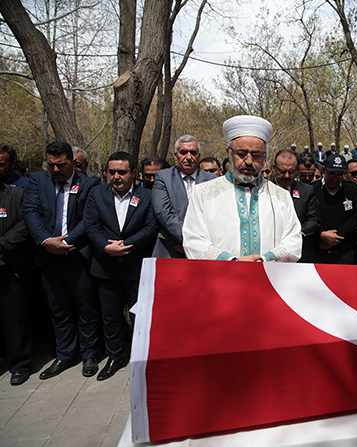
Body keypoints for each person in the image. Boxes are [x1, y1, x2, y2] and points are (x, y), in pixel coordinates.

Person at [23, 141, 100, 380]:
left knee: (86, 308)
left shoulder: (88, 184)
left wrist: (66, 243)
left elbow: (89, 218)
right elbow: (31, 212)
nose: (55, 170)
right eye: (51, 165)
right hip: (49, 257)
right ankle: (64, 354)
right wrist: (46, 241)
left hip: (78, 256)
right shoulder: (38, 181)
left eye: (61, 165)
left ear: (73, 163)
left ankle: (89, 354)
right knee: (58, 310)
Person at [182, 115, 302, 262]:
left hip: (269, 277)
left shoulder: (281, 196)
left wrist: (264, 260)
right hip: (221, 279)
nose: (249, 161)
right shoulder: (203, 193)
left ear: (265, 156)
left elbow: (293, 241)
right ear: (229, 152)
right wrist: (233, 262)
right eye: (242, 153)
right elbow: (193, 240)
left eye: (256, 155)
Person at [84, 152, 158, 380]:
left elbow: (151, 226)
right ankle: (115, 357)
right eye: (112, 172)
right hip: (105, 266)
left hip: (136, 267)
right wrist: (105, 247)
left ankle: (139, 357)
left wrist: (127, 244)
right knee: (111, 316)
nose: (116, 176)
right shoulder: (96, 193)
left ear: (133, 174)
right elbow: (91, 225)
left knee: (140, 315)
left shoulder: (147, 196)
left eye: (122, 172)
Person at [152, 135, 217, 258]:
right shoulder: (163, 177)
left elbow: (214, 215)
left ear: (198, 156)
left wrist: (196, 244)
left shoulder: (212, 180)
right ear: (176, 156)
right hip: (171, 247)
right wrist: (188, 239)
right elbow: (163, 211)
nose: (188, 157)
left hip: (204, 249)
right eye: (183, 152)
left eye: (193, 153)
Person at [0, 181, 33, 385]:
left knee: (14, 318)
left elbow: (25, 224)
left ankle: (20, 364)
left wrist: (3, 244)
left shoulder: (16, 195)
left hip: (8, 266)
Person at [273, 149, 321, 263]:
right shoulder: (263, 190)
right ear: (274, 168)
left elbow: (315, 219)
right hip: (271, 252)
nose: (286, 176)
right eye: (282, 171)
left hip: (300, 253)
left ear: (297, 170)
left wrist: (297, 232)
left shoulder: (306, 190)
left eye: (291, 172)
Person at [312, 154, 357, 264]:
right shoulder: (312, 189)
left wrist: (336, 237)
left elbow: (355, 217)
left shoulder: (352, 189)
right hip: (318, 251)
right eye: (331, 174)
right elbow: (309, 217)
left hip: (345, 252)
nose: (335, 178)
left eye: (339, 174)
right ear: (324, 170)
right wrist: (321, 234)